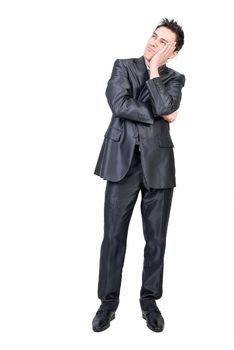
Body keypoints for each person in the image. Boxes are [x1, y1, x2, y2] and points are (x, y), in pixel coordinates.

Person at [92, 18, 185, 332]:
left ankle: (149, 301)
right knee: (114, 237)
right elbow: (118, 104)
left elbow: (166, 103)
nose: (154, 44)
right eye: (154, 37)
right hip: (122, 163)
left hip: (158, 165)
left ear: (172, 53)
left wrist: (155, 72)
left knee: (156, 239)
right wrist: (162, 113)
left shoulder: (174, 78)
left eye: (163, 43)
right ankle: (107, 303)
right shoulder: (123, 66)